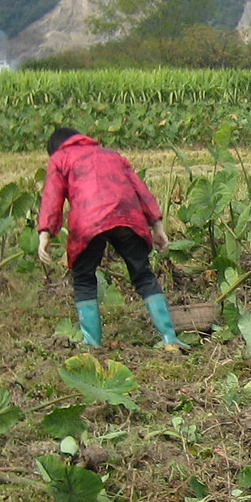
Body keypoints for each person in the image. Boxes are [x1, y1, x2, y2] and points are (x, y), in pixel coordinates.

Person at [35, 125, 180, 350]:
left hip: (88, 221)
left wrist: (45, 232)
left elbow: (52, 197)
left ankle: (91, 344)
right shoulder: (111, 155)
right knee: (143, 275)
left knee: (84, 279)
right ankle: (170, 338)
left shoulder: (60, 158)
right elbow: (141, 190)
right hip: (127, 216)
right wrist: (157, 225)